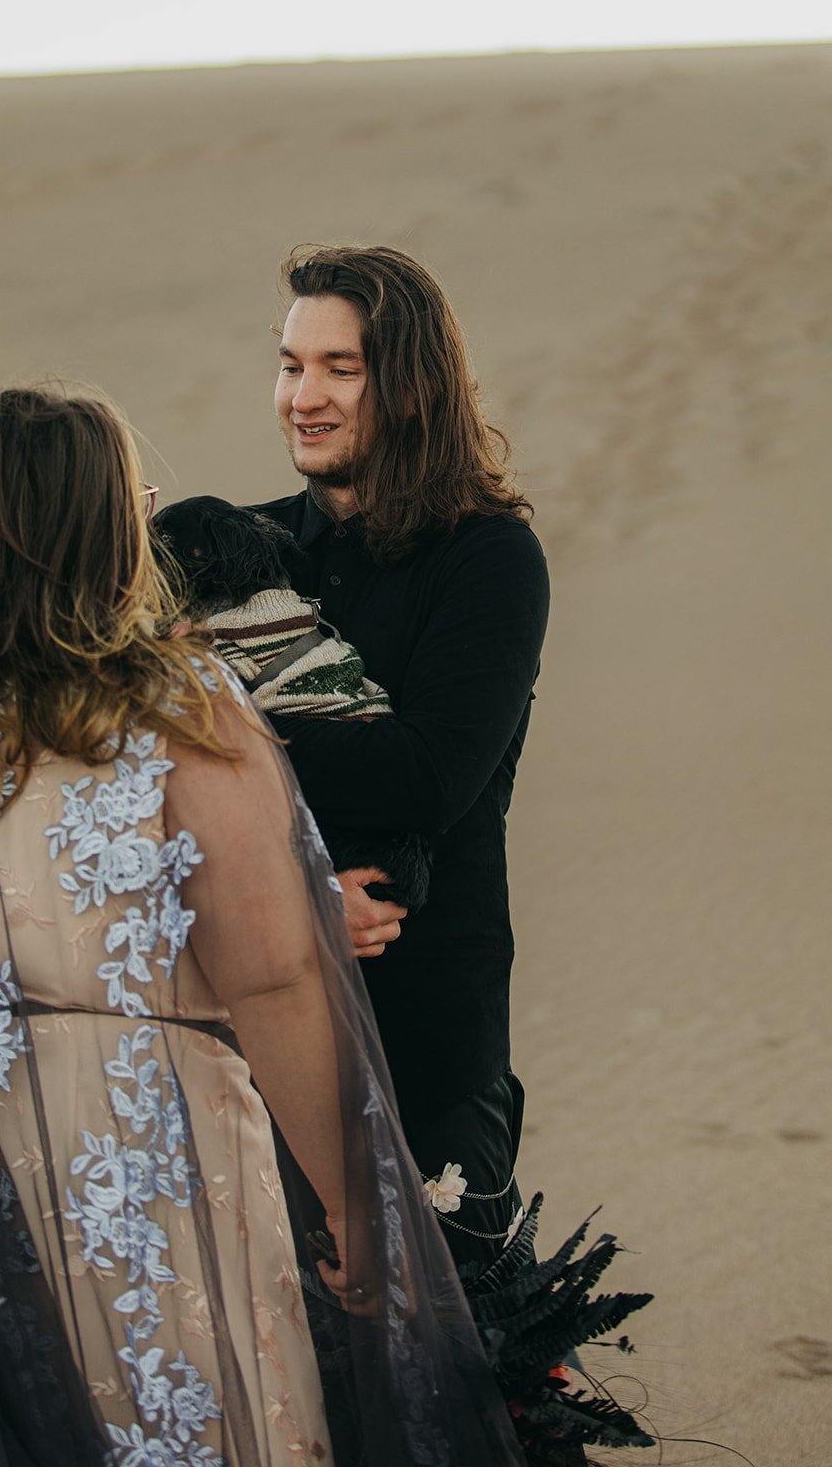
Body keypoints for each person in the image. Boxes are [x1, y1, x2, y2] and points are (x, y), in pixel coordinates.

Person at [0, 386, 524, 1467]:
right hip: (137, 1177)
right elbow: (272, 979)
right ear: (96, 539)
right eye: (136, 506)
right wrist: (352, 1208)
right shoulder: (182, 713)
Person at [251, 246, 551, 1274]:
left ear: (413, 384)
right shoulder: (241, 552)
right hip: (259, 1017)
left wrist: (235, 737)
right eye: (291, 365)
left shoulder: (487, 557)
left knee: (459, 1338)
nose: (304, 397)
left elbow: (428, 777)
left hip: (428, 1030)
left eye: (340, 368)